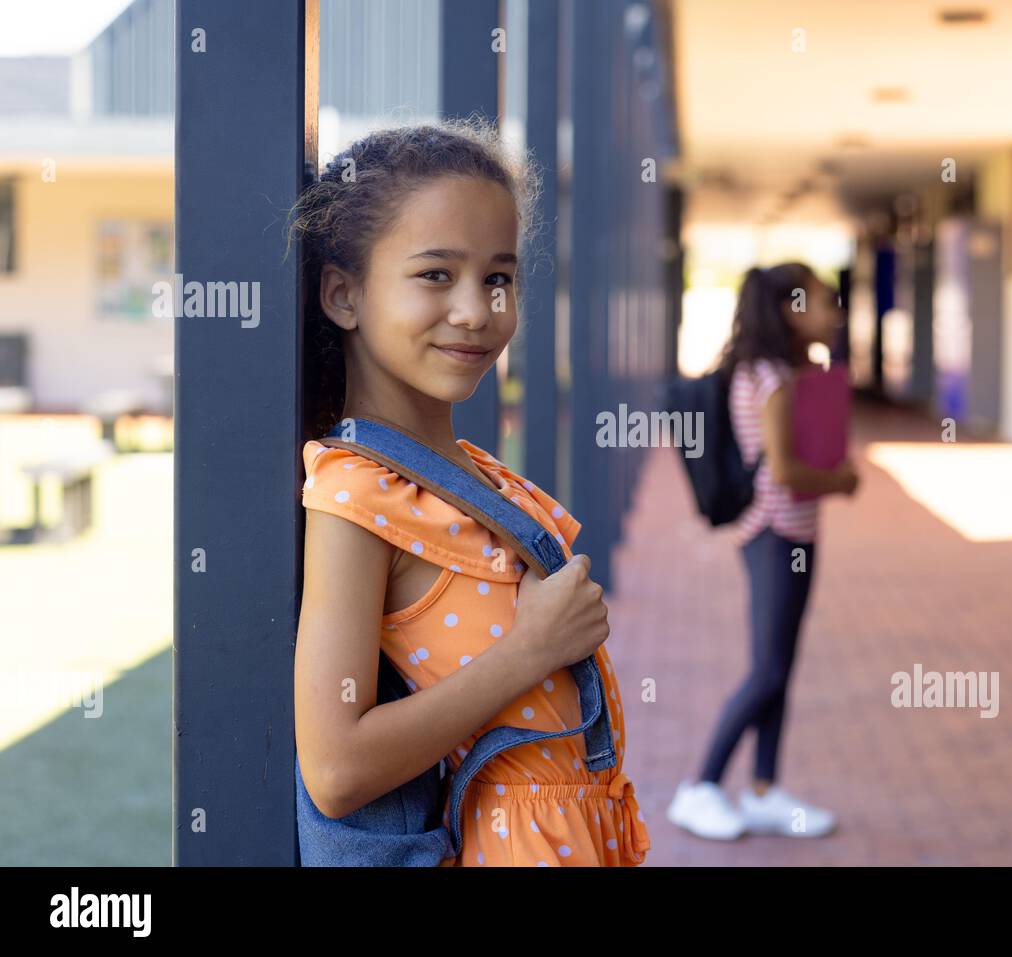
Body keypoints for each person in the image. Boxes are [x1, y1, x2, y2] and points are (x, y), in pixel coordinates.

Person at [291, 120, 650, 866]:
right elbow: (336, 768)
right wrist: (530, 650)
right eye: (435, 275)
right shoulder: (357, 495)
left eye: (498, 277)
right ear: (344, 295)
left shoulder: (469, 473)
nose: (477, 310)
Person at [667, 263, 858, 840]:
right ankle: (699, 788)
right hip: (777, 532)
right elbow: (787, 470)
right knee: (769, 669)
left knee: (780, 667)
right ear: (791, 310)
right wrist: (843, 482)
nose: (835, 313)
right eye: (826, 302)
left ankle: (764, 789)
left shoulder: (775, 371)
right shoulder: (775, 378)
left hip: (788, 533)